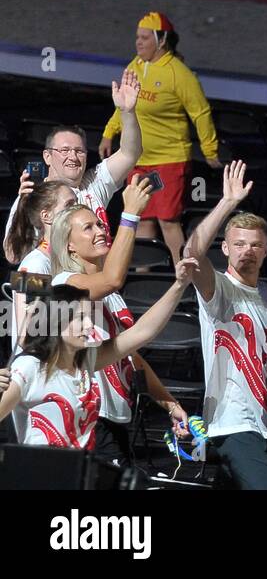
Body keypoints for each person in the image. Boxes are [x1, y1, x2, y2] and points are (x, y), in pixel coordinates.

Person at [183, 161, 267, 490]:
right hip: (232, 423)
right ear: (225, 249)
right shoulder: (219, 289)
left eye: (255, 245)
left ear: (266, 250)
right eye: (239, 244)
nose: (248, 251)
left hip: (261, 422)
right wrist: (227, 202)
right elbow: (192, 253)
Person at [48, 182, 191, 466]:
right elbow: (113, 278)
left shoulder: (111, 299)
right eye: (88, 228)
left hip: (114, 419)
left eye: (100, 224)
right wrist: (131, 214)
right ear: (69, 245)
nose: (101, 230)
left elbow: (131, 353)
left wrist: (169, 403)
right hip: (82, 418)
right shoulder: (64, 283)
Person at [0, 256, 196, 450]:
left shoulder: (84, 361)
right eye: (80, 318)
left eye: (89, 317)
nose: (89, 325)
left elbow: (142, 332)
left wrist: (179, 285)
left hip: (79, 474)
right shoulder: (28, 368)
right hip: (39, 476)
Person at [101, 11, 221, 267]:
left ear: (162, 40)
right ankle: (146, 278)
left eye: (145, 38)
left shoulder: (179, 74)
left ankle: (187, 276)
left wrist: (210, 150)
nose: (139, 42)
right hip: (140, 159)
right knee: (141, 218)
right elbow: (123, 105)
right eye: (137, 37)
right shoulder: (135, 66)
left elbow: (200, 113)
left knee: (168, 221)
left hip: (169, 160)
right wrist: (109, 133)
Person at [5, 68, 143, 256]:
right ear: (47, 156)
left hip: (99, 283)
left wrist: (127, 112)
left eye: (79, 151)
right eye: (64, 150)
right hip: (58, 284)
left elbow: (130, 153)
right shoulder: (34, 198)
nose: (73, 156)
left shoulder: (95, 183)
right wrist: (23, 204)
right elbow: (12, 255)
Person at [5, 180, 77, 356]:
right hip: (39, 373)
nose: (77, 211)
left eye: (77, 203)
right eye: (69, 205)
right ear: (47, 216)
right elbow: (27, 336)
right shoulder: (33, 265)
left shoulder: (64, 258)